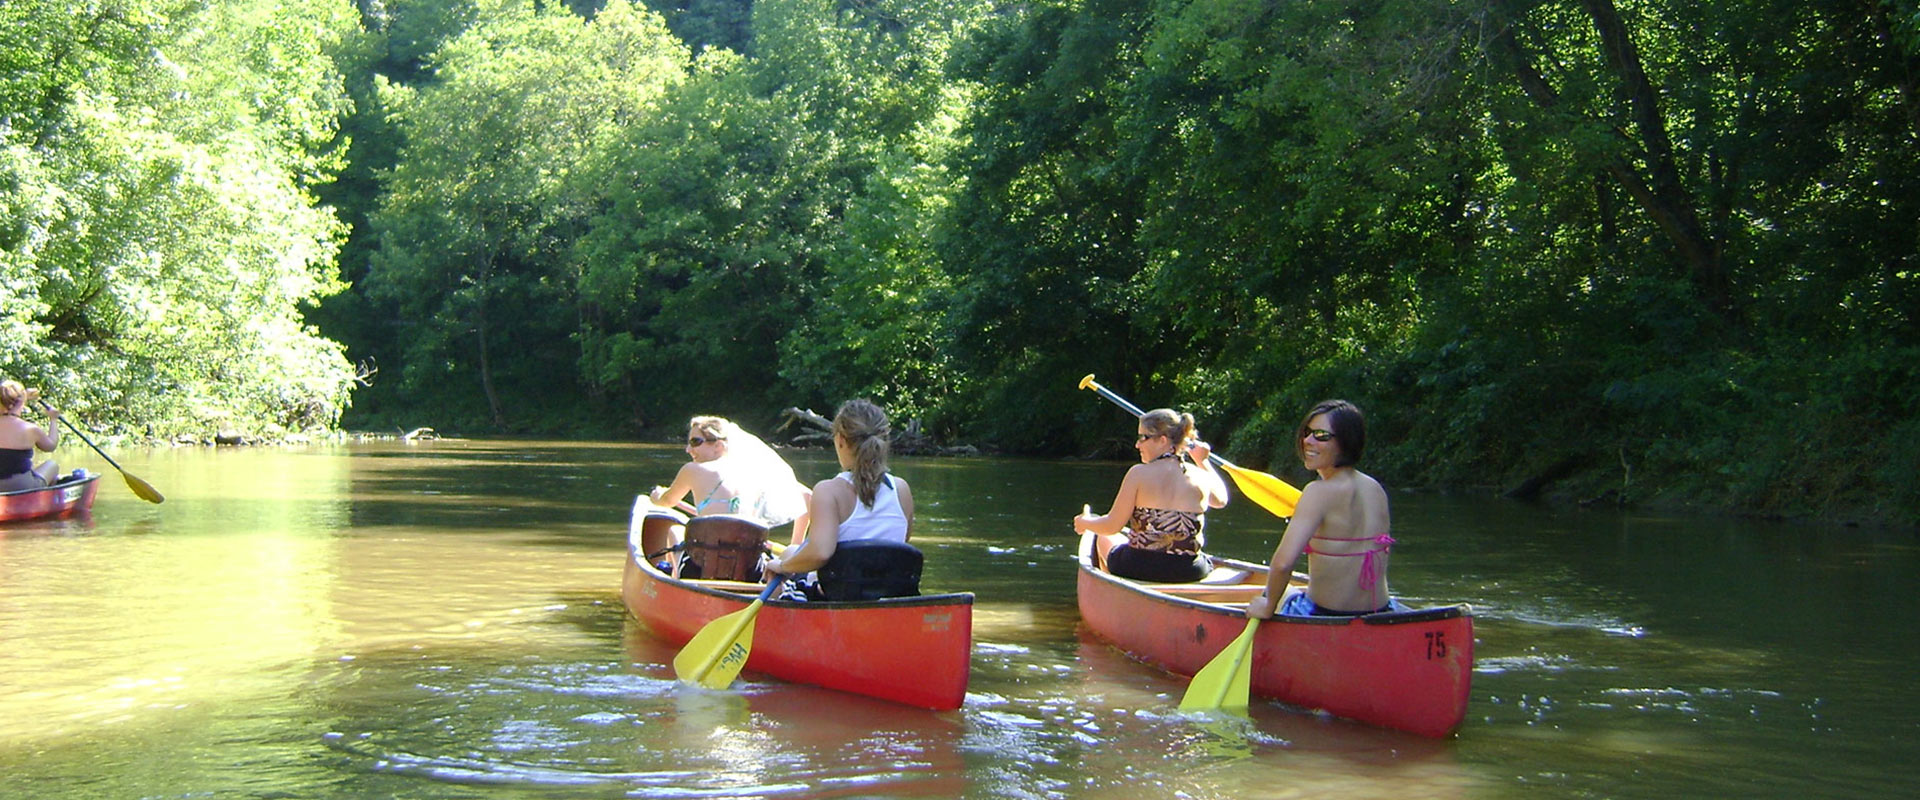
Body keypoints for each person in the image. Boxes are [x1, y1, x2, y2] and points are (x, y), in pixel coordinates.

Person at [1243, 400, 1397, 618]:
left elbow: (1283, 564)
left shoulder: (1318, 492)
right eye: (1307, 432)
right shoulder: (1375, 488)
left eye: (1321, 435)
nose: (1307, 441)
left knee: (1278, 592)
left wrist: (1267, 606)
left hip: (1326, 614)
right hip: (1380, 611)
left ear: (1346, 442)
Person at [766, 399, 918, 599]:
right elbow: (898, 547)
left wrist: (781, 565)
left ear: (840, 440)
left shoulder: (828, 491)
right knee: (792, 550)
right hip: (888, 596)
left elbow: (820, 553)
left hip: (835, 596)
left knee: (784, 558)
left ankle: (773, 615)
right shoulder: (901, 489)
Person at [1073, 408, 1230, 583]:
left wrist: (1084, 523)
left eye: (1143, 438)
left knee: (1101, 536)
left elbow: (1111, 526)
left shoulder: (1138, 474)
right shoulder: (1200, 475)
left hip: (1138, 566)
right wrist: (1203, 461)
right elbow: (1221, 500)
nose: (1137, 445)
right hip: (1189, 570)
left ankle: (1120, 597)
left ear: (1162, 440)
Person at [649, 415, 811, 535]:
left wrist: (656, 495)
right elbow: (807, 496)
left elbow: (667, 501)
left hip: (705, 561)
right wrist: (796, 544)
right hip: (749, 564)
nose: (688, 449)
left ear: (718, 446)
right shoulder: (754, 472)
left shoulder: (691, 470)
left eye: (695, 442)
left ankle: (676, 576)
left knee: (674, 532)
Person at [0, 380, 61, 492]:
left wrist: (24, 396)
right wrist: (53, 419)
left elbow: (9, 402)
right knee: (52, 465)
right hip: (21, 486)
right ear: (21, 402)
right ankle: (44, 504)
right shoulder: (30, 429)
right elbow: (51, 446)